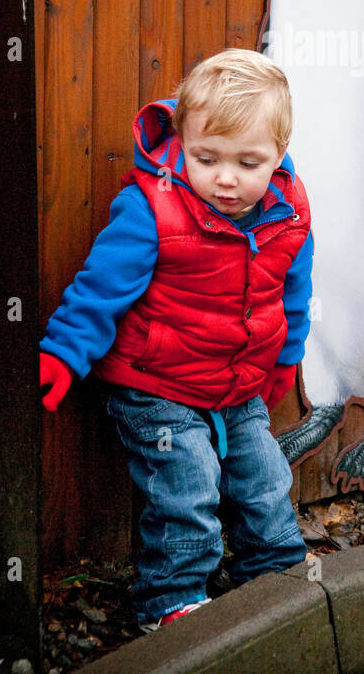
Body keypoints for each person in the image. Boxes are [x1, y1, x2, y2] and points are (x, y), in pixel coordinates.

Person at [38, 48, 313, 630]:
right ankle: (171, 603)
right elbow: (99, 288)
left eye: (248, 162)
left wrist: (285, 361)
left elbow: (292, 296)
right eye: (206, 158)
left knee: (265, 478)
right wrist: (63, 354)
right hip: (154, 384)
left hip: (237, 384)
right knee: (187, 485)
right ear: (183, 141)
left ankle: (276, 575)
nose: (226, 178)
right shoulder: (152, 209)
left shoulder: (289, 215)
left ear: (279, 157)